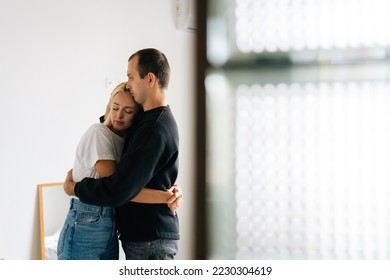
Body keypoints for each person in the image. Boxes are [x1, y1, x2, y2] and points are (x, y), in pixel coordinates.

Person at [64, 48, 181, 260]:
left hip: (149, 238)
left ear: (150, 79)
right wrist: (168, 193)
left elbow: (119, 189)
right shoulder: (147, 121)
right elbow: (114, 133)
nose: (128, 83)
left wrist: (75, 187)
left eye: (131, 77)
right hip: (145, 236)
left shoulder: (153, 128)